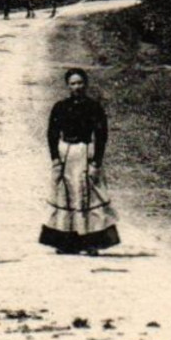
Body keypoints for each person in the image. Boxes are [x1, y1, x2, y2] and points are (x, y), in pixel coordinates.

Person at [40, 68, 119, 254]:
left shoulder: (94, 107)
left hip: (85, 153)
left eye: (80, 83)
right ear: (68, 86)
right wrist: (55, 160)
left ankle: (92, 242)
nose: (77, 87)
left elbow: (101, 135)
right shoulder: (60, 107)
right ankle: (67, 242)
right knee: (65, 195)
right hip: (65, 153)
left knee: (89, 196)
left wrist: (96, 162)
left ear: (86, 84)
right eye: (73, 83)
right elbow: (52, 134)